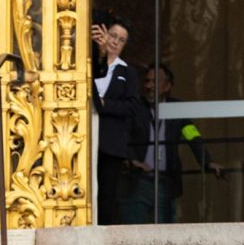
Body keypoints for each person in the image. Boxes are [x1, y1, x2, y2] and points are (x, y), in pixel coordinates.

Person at [121, 64, 224, 225]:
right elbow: (123, 135)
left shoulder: (177, 109)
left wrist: (207, 162)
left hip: (166, 183)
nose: (148, 86)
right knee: (132, 231)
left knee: (165, 234)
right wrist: (132, 160)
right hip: (138, 183)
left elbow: (192, 136)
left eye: (154, 82)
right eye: (147, 81)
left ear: (167, 86)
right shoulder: (135, 107)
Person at [90, 16, 145, 225]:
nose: (115, 41)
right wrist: (100, 53)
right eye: (112, 35)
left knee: (107, 192)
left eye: (121, 39)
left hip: (111, 141)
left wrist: (105, 105)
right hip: (85, 136)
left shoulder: (128, 72)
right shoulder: (90, 63)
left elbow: (132, 106)